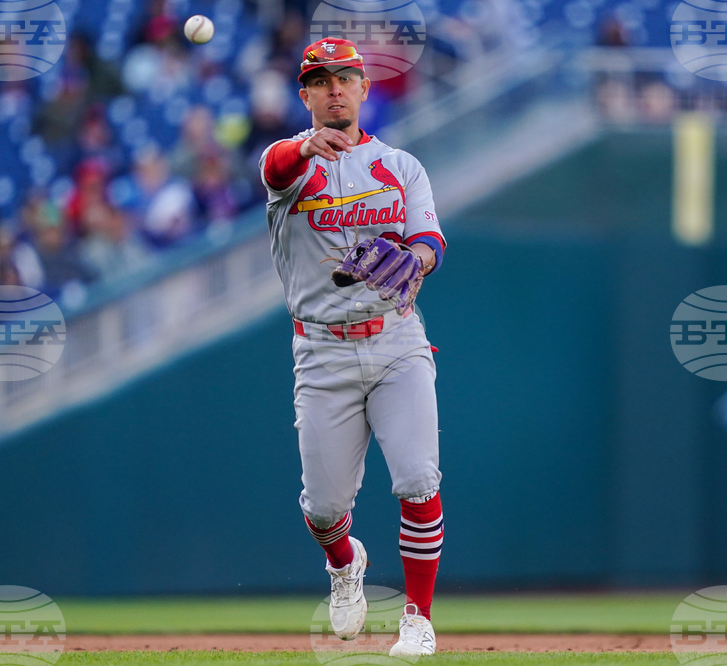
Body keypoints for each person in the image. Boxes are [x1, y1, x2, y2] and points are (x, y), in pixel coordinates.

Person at [258, 38, 446, 656]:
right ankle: (345, 562)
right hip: (322, 351)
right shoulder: (289, 163)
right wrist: (303, 146)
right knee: (322, 507)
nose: (335, 89)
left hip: (395, 338)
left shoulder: (401, 165)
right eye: (321, 80)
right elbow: (277, 167)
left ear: (365, 88)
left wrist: (414, 258)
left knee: (419, 479)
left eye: (346, 78)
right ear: (305, 94)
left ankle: (417, 619)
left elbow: (429, 241)